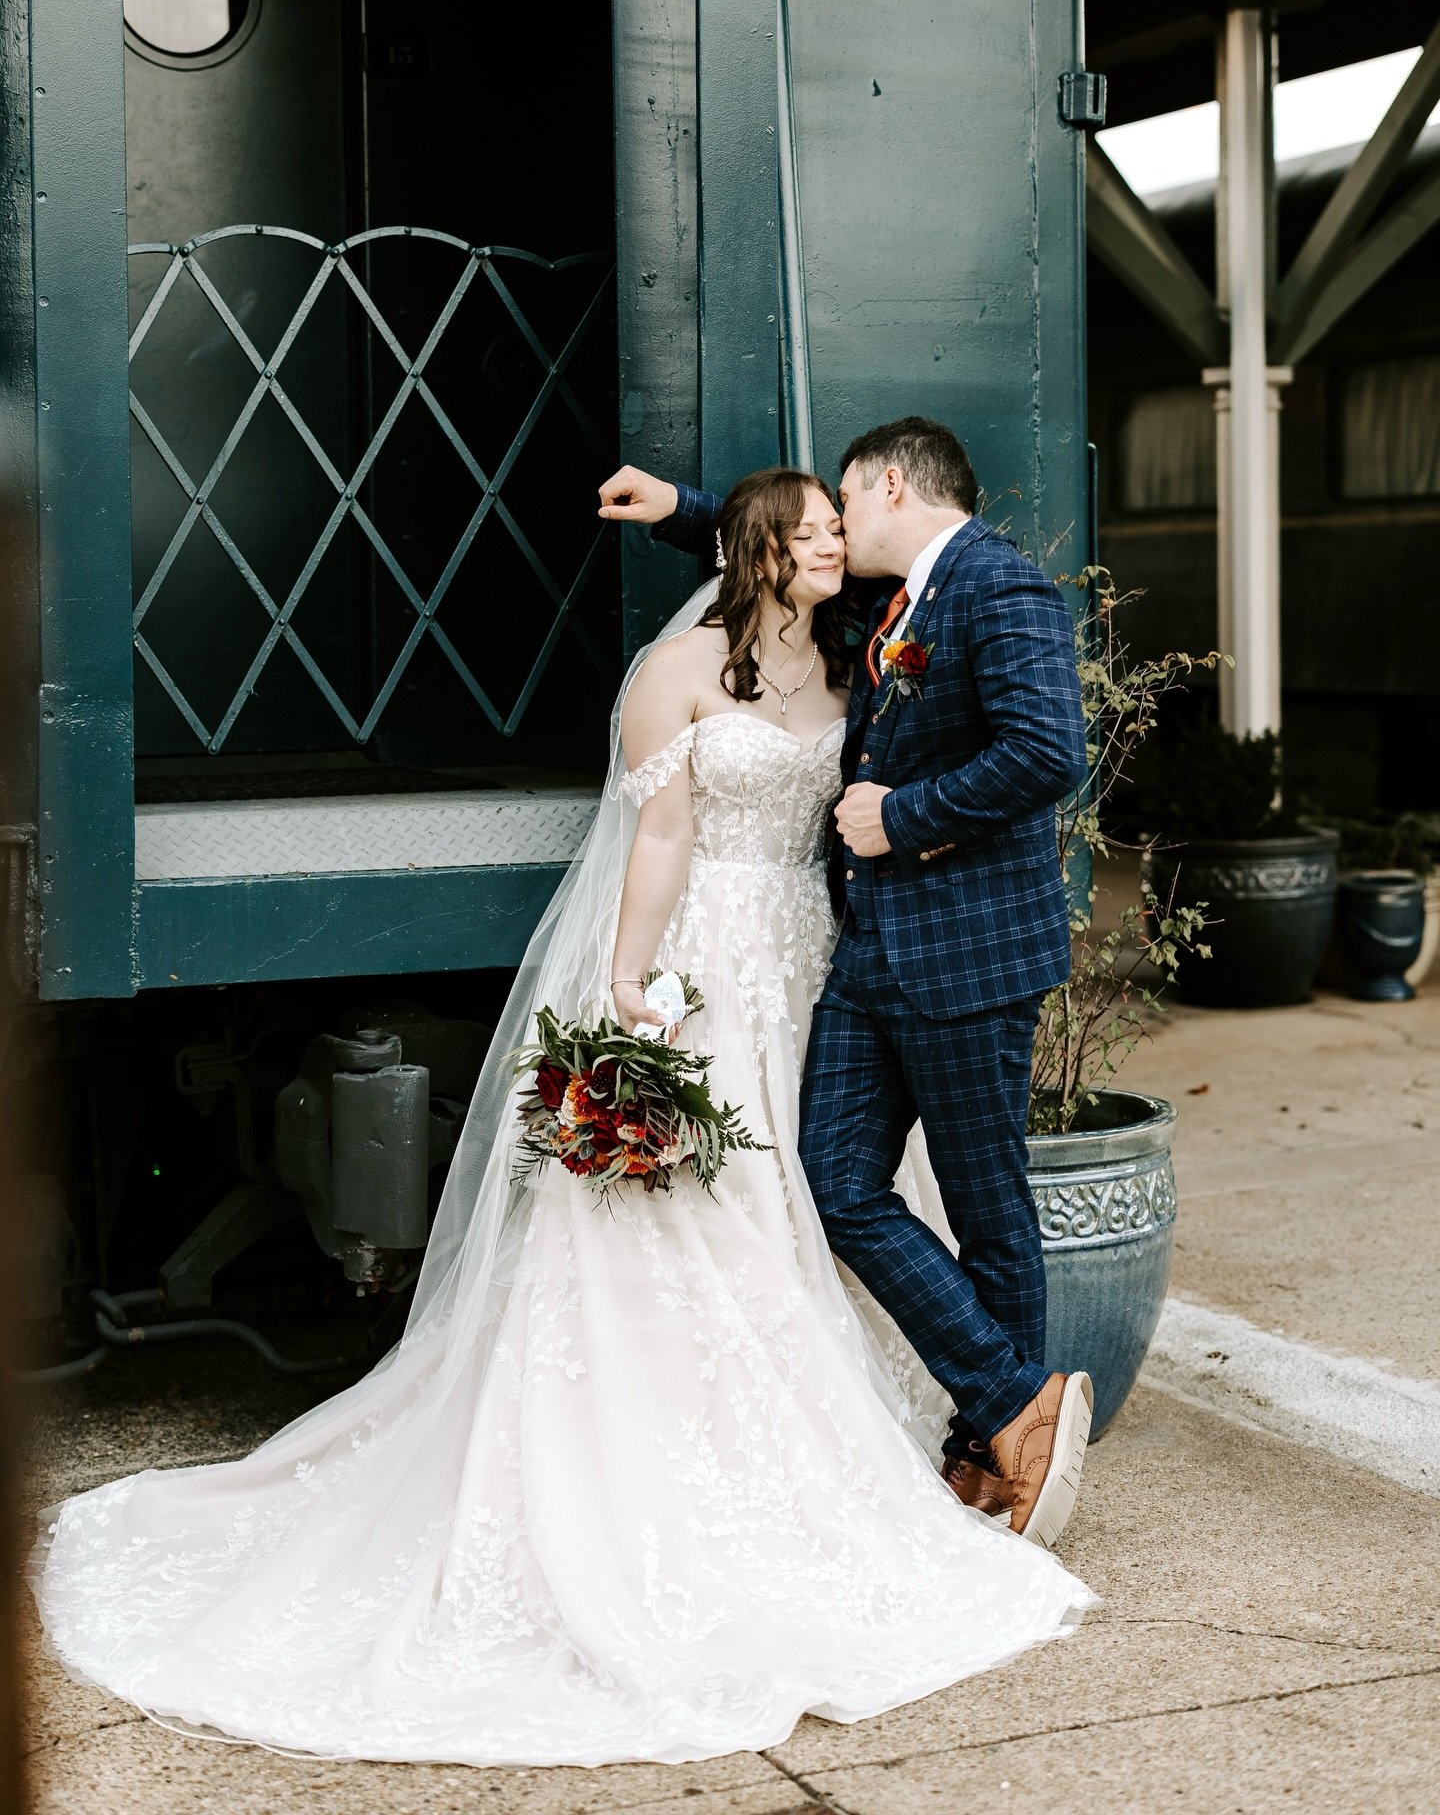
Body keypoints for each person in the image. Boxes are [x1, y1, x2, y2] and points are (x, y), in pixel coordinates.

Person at [28, 464, 1092, 1770]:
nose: (837, 548)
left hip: (825, 969)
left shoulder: (862, 638)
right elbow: (655, 843)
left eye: (840, 528)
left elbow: (967, 693)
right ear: (772, 552)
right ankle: (902, 1431)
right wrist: (629, 985)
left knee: (849, 1191)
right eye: (814, 535)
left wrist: (699, 510)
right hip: (712, 964)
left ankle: (992, 1426)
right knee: (715, 1205)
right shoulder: (678, 676)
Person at [599, 417, 1092, 1535]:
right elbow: (774, 556)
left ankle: (994, 1453)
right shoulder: (893, 604)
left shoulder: (996, 588)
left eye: (841, 514)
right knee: (837, 1181)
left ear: (883, 487)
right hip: (867, 957)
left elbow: (1047, 752)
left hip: (965, 957)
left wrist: (901, 817)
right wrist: (683, 510)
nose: (833, 537)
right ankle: (1016, 1400)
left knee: (987, 1209)